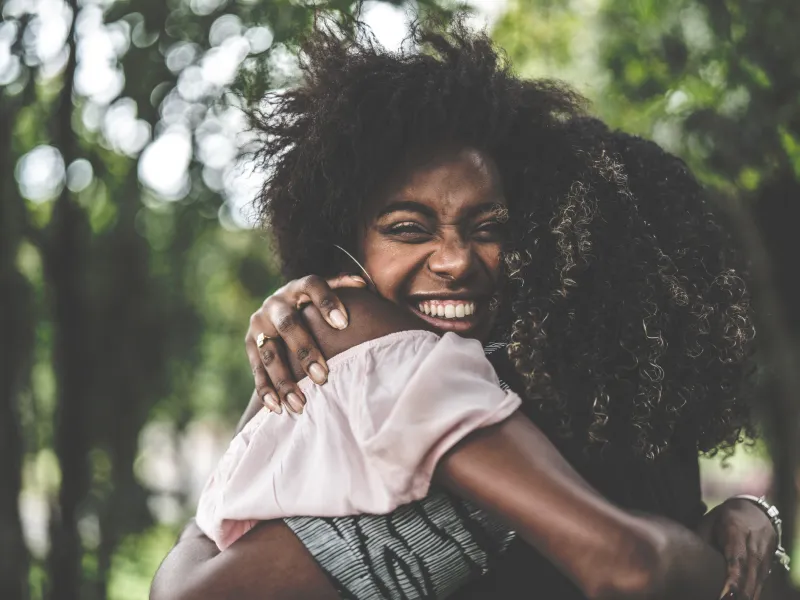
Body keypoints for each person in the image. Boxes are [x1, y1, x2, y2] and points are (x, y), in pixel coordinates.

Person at [150, 18, 785, 600]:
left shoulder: (505, 394)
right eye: (408, 228)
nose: (455, 260)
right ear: (341, 245)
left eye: (491, 227)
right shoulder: (385, 363)